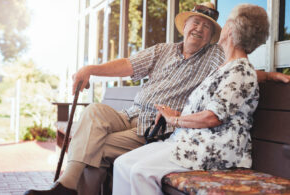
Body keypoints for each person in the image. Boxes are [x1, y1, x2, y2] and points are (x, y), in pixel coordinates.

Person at [25, 2, 290, 195]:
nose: (199, 28)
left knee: (94, 148)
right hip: (129, 115)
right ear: (184, 26)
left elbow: (239, 72)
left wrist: (271, 76)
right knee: (93, 111)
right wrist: (90, 69)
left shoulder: (215, 57)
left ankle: (66, 188)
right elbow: (128, 65)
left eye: (207, 26)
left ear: (214, 34)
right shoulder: (163, 50)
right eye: (195, 22)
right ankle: (67, 187)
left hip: (154, 127)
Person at [112, 3, 270, 195]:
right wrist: (174, 114)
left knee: (140, 172)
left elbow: (213, 117)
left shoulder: (240, 70)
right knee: (122, 163)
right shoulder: (223, 68)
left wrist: (175, 120)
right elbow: (206, 110)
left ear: (230, 30)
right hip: (189, 140)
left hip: (214, 148)